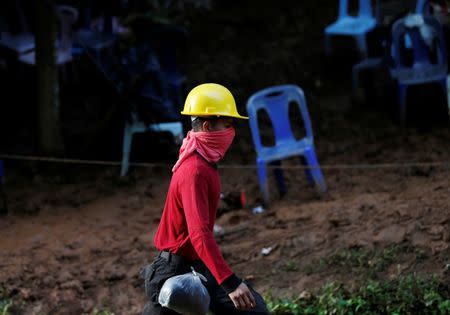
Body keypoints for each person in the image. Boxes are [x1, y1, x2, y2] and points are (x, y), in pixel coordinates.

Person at [141, 83, 269, 315]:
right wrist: (230, 283)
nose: (231, 132)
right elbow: (199, 234)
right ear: (208, 126)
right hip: (174, 270)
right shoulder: (195, 170)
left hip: (197, 264)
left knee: (254, 309)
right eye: (227, 125)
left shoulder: (203, 160)